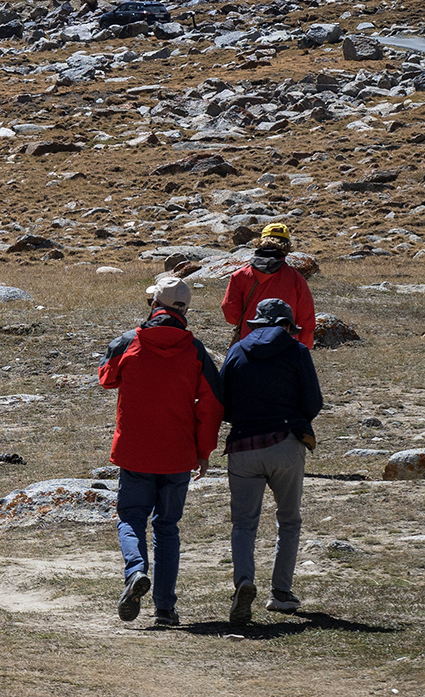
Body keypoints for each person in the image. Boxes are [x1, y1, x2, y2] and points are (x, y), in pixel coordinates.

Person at [98, 274, 223, 626]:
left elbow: (106, 378)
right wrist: (204, 451)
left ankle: (136, 571)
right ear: (184, 310)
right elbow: (212, 405)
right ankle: (165, 609)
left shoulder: (128, 342)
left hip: (135, 451)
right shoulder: (195, 350)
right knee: (167, 527)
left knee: (131, 518)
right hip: (178, 455)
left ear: (154, 304)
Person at [221, 297, 324, 625]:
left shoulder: (237, 351)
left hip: (242, 445)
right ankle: (280, 593)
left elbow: (222, 402)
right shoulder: (298, 352)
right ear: (286, 325)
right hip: (285, 443)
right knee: (289, 520)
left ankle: (244, 581)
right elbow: (313, 402)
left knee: (243, 523)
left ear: (258, 323)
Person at [222, 223, 317, 347]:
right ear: (286, 247)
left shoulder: (241, 275)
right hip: (285, 346)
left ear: (261, 242)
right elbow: (307, 320)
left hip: (250, 342)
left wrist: (248, 322)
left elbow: (230, 312)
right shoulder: (296, 278)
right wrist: (302, 349)